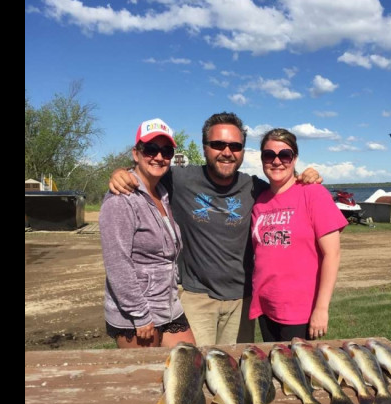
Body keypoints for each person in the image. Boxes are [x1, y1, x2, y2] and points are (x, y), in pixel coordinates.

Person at [109, 112, 322, 347]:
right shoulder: (180, 179)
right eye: (218, 144)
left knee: (236, 371)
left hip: (241, 300)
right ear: (205, 148)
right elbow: (148, 169)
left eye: (235, 146)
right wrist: (122, 173)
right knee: (194, 371)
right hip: (196, 298)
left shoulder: (254, 187)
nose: (227, 152)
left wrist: (306, 176)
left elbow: (285, 188)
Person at [99, 118, 196, 348]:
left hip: (168, 306)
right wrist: (140, 315)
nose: (159, 156)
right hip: (137, 315)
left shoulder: (162, 192)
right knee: (145, 379)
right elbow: (117, 263)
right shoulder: (121, 198)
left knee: (191, 362)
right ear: (136, 153)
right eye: (151, 149)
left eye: (166, 151)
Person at [249, 128, 348, 342]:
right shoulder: (260, 201)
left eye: (284, 155)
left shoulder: (313, 193)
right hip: (266, 305)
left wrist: (322, 309)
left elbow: (333, 254)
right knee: (276, 368)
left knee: (299, 373)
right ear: (262, 159)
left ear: (294, 158)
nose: (276, 161)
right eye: (269, 155)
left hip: (299, 311)